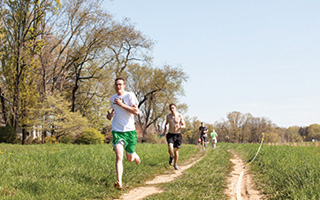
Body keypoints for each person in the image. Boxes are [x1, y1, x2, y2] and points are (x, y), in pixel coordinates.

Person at [107, 77, 141, 190]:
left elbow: (136, 112)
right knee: (118, 156)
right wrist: (110, 116)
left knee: (129, 158)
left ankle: (134, 155)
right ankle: (119, 182)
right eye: (116, 84)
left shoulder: (129, 96)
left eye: (120, 84)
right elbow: (114, 111)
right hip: (117, 131)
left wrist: (122, 105)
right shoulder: (112, 98)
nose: (118, 86)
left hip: (130, 131)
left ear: (124, 85)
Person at [161, 103, 185, 170]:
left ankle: (175, 164)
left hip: (178, 135)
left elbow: (184, 125)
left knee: (176, 151)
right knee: (170, 149)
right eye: (170, 108)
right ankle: (171, 157)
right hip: (170, 135)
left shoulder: (180, 116)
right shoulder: (168, 116)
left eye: (173, 108)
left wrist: (180, 127)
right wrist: (164, 132)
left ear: (175, 108)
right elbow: (166, 124)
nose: (172, 109)